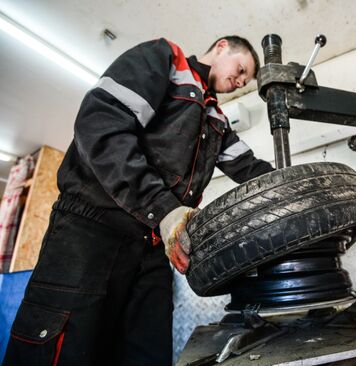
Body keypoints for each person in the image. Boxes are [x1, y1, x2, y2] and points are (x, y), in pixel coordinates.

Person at [3, 36, 273, 365]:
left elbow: (251, 169)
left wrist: (301, 190)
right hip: (91, 232)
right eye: (242, 68)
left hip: (153, 249)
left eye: (246, 80)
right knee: (62, 350)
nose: (241, 81)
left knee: (146, 356)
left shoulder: (216, 118)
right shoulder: (166, 60)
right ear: (221, 47)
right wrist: (164, 208)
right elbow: (100, 124)